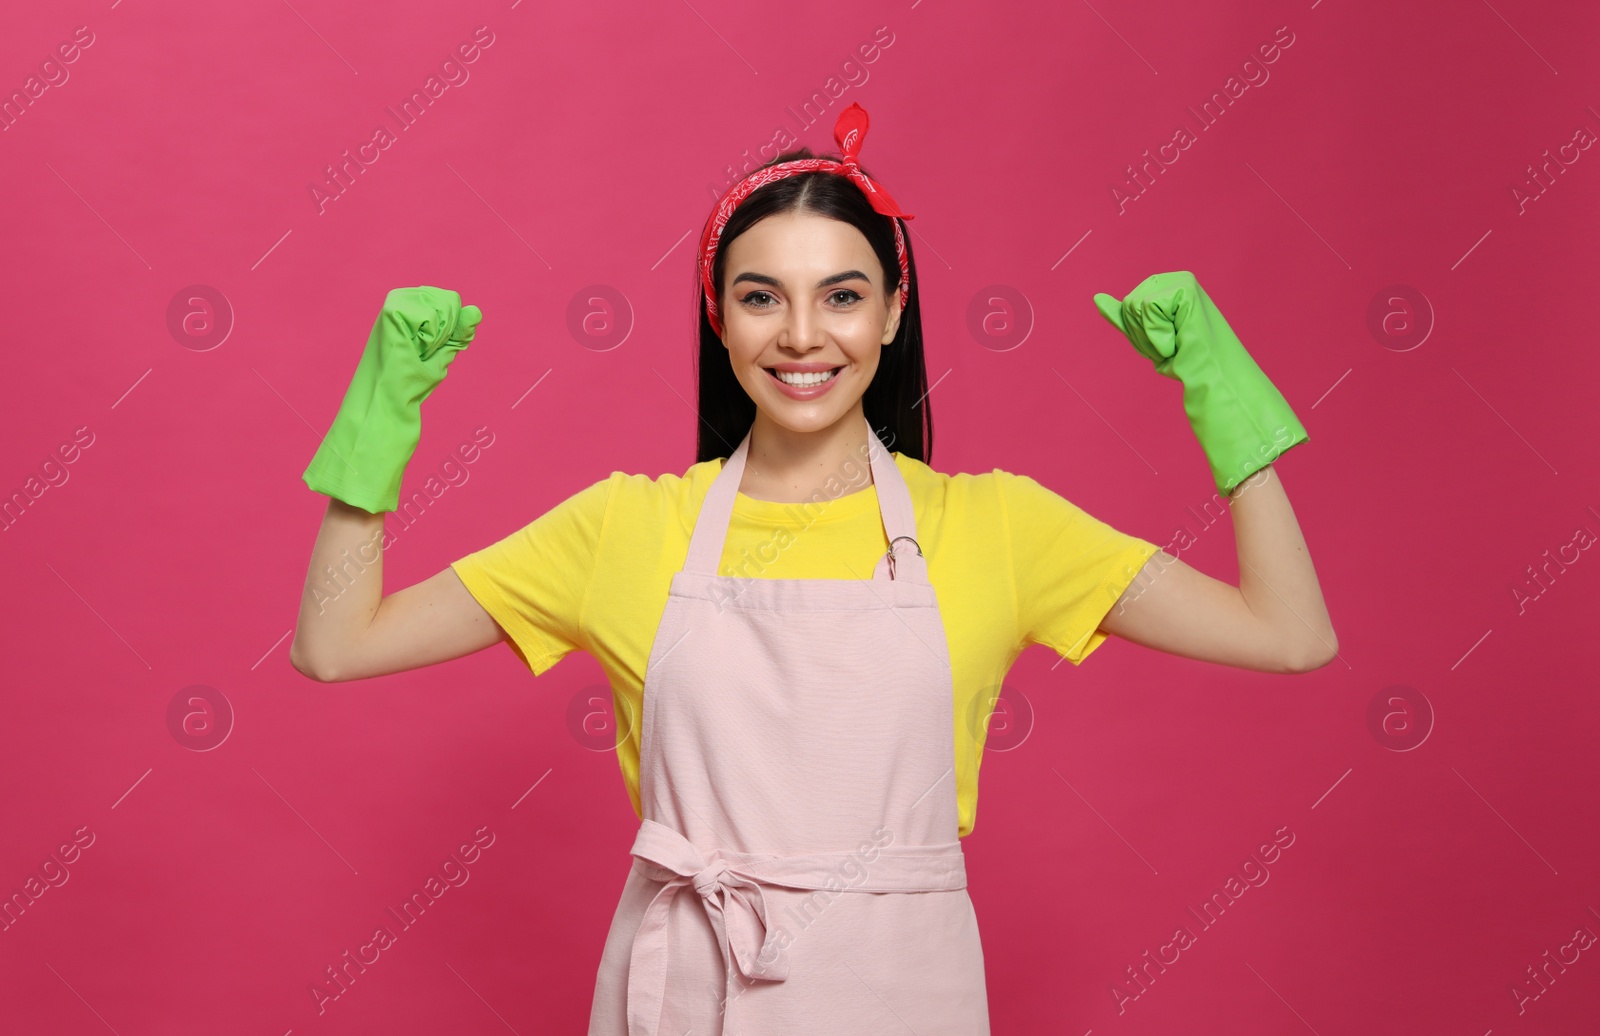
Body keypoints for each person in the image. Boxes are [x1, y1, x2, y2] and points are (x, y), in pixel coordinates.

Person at [288, 102, 1336, 1035]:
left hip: (902, 994)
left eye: (840, 296)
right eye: (760, 298)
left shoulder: (999, 524)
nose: (800, 335)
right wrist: (379, 428)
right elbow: (337, 645)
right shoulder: (622, 527)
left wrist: (1221, 398)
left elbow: (1288, 635)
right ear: (718, 315)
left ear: (891, 311)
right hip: (684, 988)